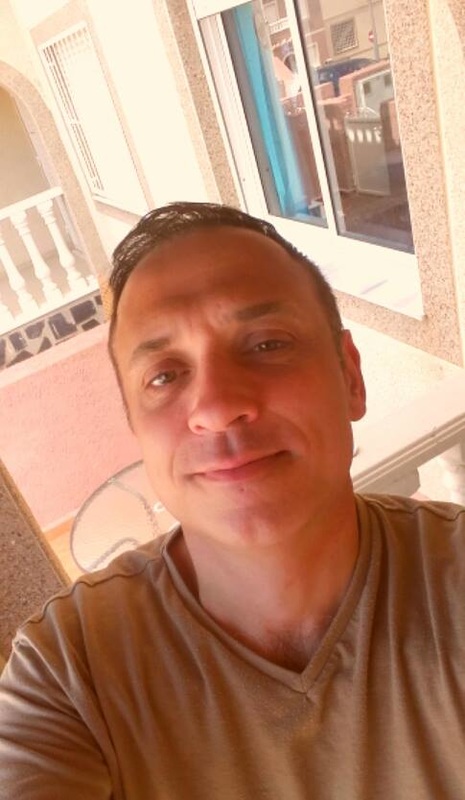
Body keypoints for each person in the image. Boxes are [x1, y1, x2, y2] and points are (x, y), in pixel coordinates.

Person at [1, 201, 465, 799]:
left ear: (350, 376)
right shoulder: (68, 675)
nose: (218, 407)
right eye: (164, 375)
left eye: (267, 344)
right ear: (136, 428)